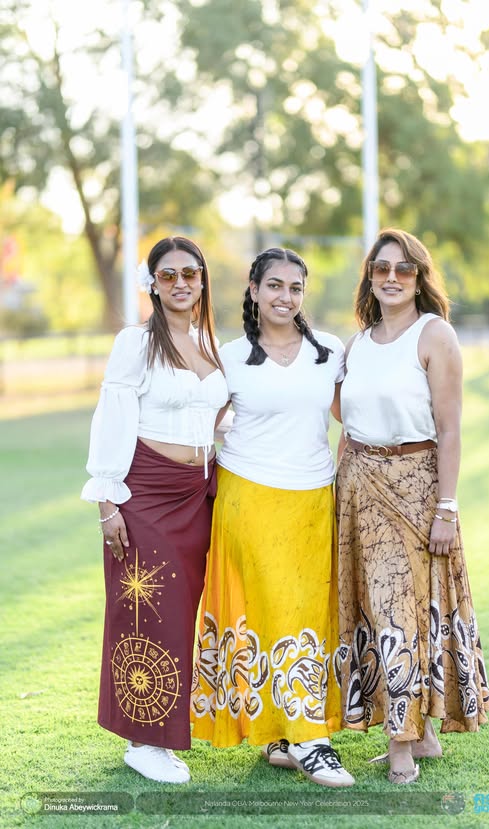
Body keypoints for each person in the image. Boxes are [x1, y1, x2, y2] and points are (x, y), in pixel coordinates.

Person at [190, 247, 355, 788]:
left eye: (296, 288)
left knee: (308, 614)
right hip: (249, 498)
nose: (286, 297)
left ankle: (287, 737)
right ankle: (312, 741)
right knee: (269, 613)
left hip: (313, 500)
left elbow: (351, 416)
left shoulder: (328, 351)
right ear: (254, 290)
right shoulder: (230, 356)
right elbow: (198, 425)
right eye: (275, 286)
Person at [336, 228, 489, 785]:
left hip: (417, 485)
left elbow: (450, 431)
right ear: (370, 278)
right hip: (358, 488)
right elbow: (343, 418)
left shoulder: (435, 334)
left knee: (404, 611)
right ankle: (421, 736)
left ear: (419, 277)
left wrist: (447, 509)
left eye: (404, 269)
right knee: (381, 611)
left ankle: (401, 744)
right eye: (381, 268)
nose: (392, 277)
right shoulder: (356, 343)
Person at [81, 236, 228, 783]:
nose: (181, 283)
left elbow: (216, 418)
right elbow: (111, 417)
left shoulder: (211, 343)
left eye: (190, 273)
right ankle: (144, 741)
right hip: (145, 493)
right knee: (148, 612)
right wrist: (107, 500)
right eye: (169, 275)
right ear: (153, 284)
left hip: (200, 492)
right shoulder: (136, 343)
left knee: (182, 611)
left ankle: (165, 728)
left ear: (203, 280)